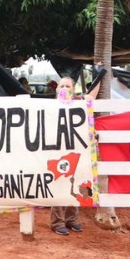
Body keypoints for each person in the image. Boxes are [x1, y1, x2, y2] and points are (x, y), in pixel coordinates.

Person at [50, 76, 84, 235]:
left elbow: (91, 96)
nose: (64, 88)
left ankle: (72, 219)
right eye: (62, 85)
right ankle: (57, 222)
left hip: (74, 150)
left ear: (73, 89)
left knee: (74, 183)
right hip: (57, 150)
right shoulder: (49, 106)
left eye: (68, 86)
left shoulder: (78, 105)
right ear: (57, 89)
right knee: (59, 183)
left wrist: (100, 73)